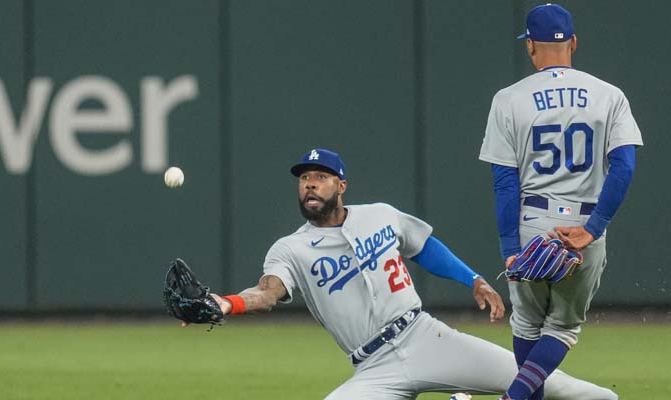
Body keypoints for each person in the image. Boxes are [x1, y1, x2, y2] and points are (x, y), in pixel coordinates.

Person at [200, 148, 617, 399]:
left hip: (425, 336)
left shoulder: (380, 215)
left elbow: (424, 246)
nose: (310, 184)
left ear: (341, 185)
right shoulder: (289, 248)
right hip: (372, 368)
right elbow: (268, 292)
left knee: (554, 386)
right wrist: (226, 303)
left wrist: (473, 280)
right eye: (305, 179)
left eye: (320, 178)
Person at [478, 4, 643, 400]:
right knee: (562, 329)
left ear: (530, 46)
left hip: (532, 219)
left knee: (526, 325)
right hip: (582, 228)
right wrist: (593, 228)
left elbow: (505, 182)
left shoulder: (508, 98)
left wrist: (510, 249)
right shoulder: (610, 95)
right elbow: (623, 167)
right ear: (572, 42)